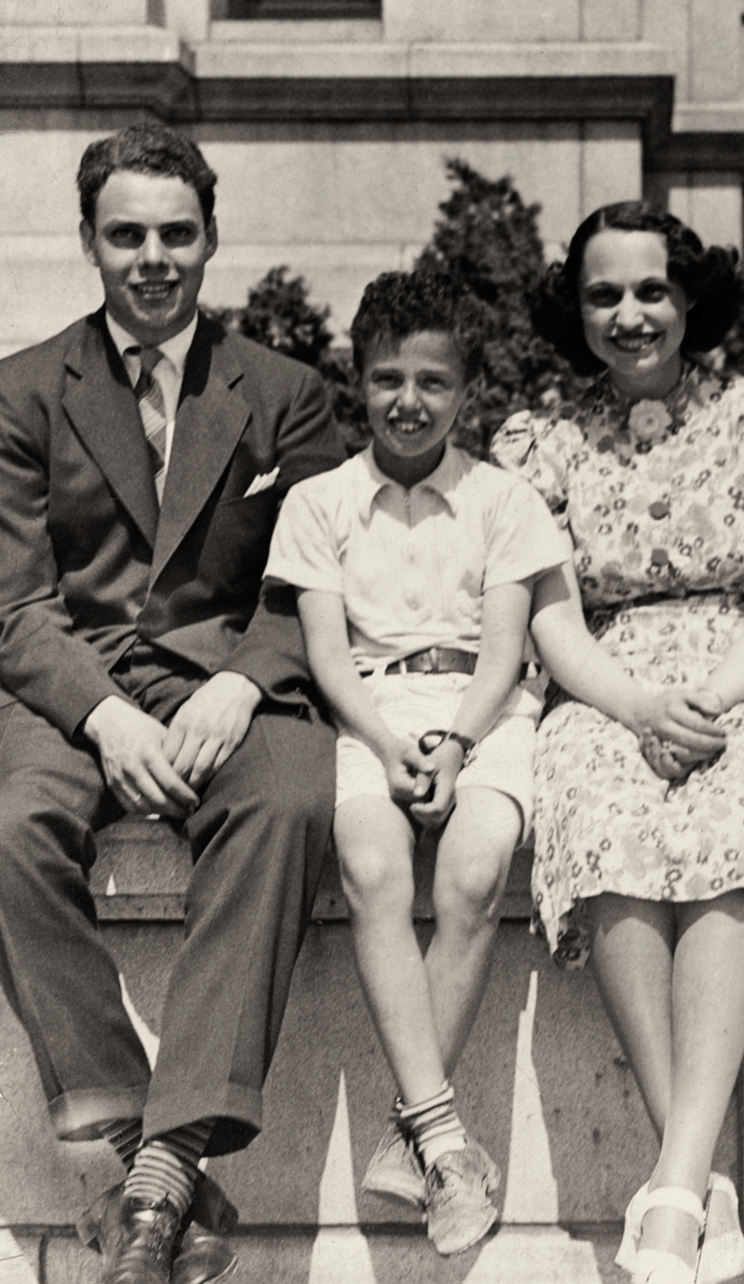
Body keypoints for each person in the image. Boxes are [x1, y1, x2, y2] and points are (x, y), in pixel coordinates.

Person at [0, 123, 343, 1284]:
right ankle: (159, 1154)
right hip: (60, 681)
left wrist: (242, 676)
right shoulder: (20, 390)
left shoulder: (285, 393)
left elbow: (323, 572)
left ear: (212, 237)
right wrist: (104, 717)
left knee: (287, 804)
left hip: (229, 675)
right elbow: (11, 601)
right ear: (89, 240)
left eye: (177, 232)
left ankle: (151, 1177)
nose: (152, 257)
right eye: (126, 233)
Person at [492, 201, 744, 1284]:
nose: (630, 314)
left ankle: (674, 1188)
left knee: (732, 824)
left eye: (651, 290)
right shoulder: (541, 441)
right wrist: (634, 705)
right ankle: (695, 1187)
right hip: (603, 682)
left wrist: (711, 702)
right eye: (604, 294)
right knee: (602, 819)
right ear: (574, 306)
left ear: (690, 297)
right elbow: (548, 616)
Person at [263, 270, 569, 1255]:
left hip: (484, 711)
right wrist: (390, 740)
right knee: (371, 862)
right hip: (367, 708)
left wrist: (460, 738)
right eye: (388, 377)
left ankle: (410, 1132)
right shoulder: (319, 501)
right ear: (358, 382)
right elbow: (321, 649)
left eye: (432, 381)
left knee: (478, 863)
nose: (409, 401)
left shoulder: (504, 497)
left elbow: (505, 647)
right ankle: (443, 1136)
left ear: (466, 390)